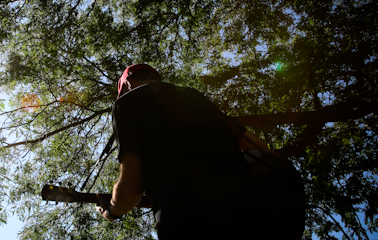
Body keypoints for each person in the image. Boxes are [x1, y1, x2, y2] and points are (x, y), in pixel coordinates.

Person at [95, 64, 270, 239]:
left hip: (187, 223)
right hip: (249, 215)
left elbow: (131, 186)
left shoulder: (127, 102)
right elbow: (257, 146)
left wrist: (112, 211)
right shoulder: (192, 95)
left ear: (127, 84)